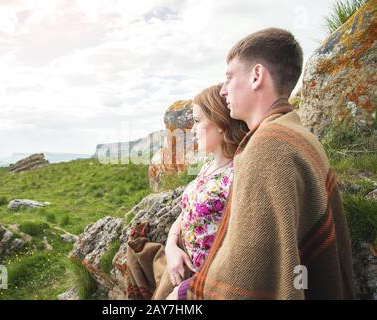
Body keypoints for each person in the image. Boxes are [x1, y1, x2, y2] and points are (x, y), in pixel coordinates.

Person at [172, 28, 355, 300]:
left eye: (230, 77)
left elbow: (248, 264)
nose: (223, 90)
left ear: (257, 76)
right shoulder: (295, 133)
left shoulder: (266, 147)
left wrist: (187, 293)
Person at [124, 84, 248, 300]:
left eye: (198, 121)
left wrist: (186, 291)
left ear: (220, 123)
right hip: (184, 268)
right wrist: (172, 245)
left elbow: (239, 251)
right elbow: (187, 213)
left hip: (207, 285)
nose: (192, 130)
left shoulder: (238, 175)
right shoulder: (209, 166)